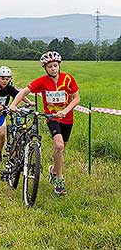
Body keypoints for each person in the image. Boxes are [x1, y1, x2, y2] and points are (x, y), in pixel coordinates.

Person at [9, 51, 80, 195]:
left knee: (61, 149)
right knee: (59, 145)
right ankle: (59, 180)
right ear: (45, 68)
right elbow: (23, 92)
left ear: (59, 66)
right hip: (52, 117)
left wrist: (65, 111)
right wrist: (14, 105)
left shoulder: (68, 79)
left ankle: (53, 170)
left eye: (55, 65)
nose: (53, 68)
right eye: (49, 66)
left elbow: (76, 98)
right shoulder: (42, 81)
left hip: (67, 118)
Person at [0, 66, 34, 163]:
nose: (5, 81)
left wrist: (29, 102)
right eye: (2, 79)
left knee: (1, 134)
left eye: (7, 79)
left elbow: (20, 95)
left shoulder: (9, 88)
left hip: (1, 114)